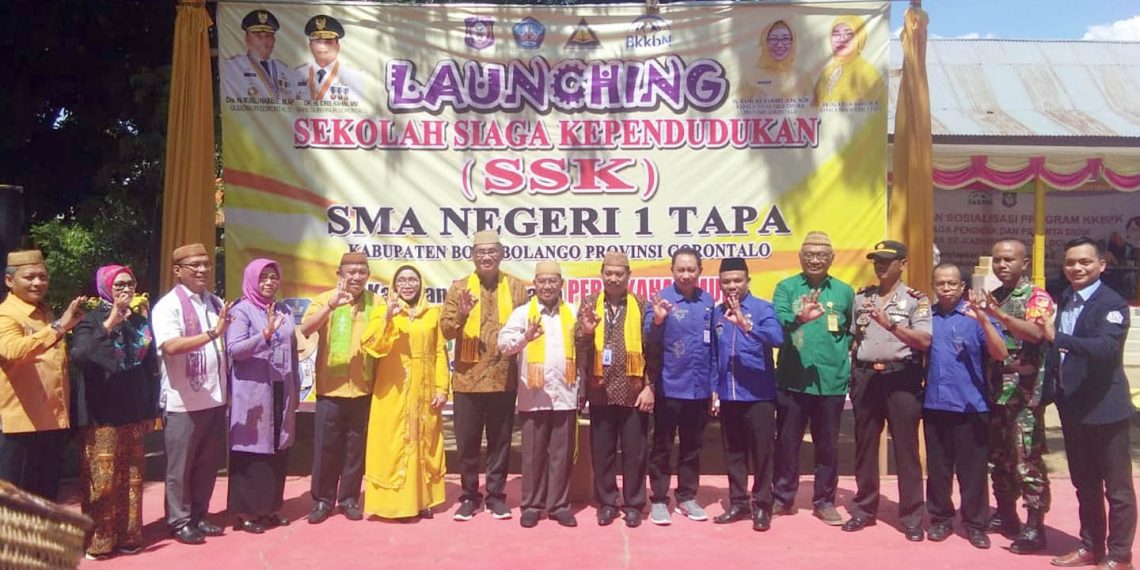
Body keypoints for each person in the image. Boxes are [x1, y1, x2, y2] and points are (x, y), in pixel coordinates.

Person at [1040, 237, 1136, 570]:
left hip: (1106, 409)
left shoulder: (1112, 304)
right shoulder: (1065, 297)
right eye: (1070, 263)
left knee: (1118, 488)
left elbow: (1105, 349)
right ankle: (1091, 546)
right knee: (1085, 483)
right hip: (1073, 407)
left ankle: (1120, 554)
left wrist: (1058, 338)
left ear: (1101, 265)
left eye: (1084, 262)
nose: (1077, 268)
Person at [842, 240, 931, 542]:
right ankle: (864, 509)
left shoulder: (916, 300)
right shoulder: (861, 298)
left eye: (886, 261)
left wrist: (890, 325)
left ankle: (912, 517)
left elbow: (923, 340)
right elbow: (855, 338)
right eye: (876, 261)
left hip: (901, 377)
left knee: (906, 449)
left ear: (902, 264)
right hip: (867, 377)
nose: (880, 266)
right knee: (865, 446)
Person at [70, 265, 159, 560]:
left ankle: (129, 535)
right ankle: (99, 541)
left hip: (132, 410)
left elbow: (150, 368)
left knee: (132, 478)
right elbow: (80, 356)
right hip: (101, 414)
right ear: (105, 287)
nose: (126, 289)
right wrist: (109, 322)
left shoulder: (139, 321)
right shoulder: (90, 319)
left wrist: (150, 409)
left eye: (130, 283)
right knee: (102, 480)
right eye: (119, 284)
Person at [441, 230, 527, 521]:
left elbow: (526, 330)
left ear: (501, 254)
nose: (486, 257)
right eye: (481, 252)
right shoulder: (459, 288)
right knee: (467, 443)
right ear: (473, 256)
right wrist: (463, 314)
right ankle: (468, 495)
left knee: (500, 441)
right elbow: (446, 331)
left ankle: (496, 496)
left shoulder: (516, 287)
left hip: (503, 378)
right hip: (467, 378)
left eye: (492, 252)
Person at [771, 231, 854, 526]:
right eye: (809, 255)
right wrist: (800, 319)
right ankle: (782, 498)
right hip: (793, 380)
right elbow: (779, 322)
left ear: (831, 259)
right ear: (800, 258)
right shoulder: (786, 288)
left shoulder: (845, 292)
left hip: (831, 382)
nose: (815, 260)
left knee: (828, 445)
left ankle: (824, 501)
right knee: (787, 443)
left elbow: (853, 334)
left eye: (821, 255)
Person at [978, 238, 1055, 553]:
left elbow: (1037, 334)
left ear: (1025, 263)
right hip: (995, 392)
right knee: (999, 458)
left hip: (1025, 394)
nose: (1002, 265)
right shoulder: (993, 297)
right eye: (997, 260)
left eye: (1009, 259)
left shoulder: (1036, 297)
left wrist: (1000, 317)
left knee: (1026, 461)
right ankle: (1005, 513)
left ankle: (1035, 526)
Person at [151, 243, 231, 545]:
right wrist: (212, 333)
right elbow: (170, 346)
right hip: (182, 401)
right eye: (194, 265)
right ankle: (179, 520)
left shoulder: (213, 302)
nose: (202, 270)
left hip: (213, 398)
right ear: (177, 271)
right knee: (180, 467)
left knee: (208, 463)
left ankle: (199, 515)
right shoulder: (168, 306)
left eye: (206, 264)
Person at [924, 263, 1008, 549]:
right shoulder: (927, 318)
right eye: (940, 283)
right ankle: (941, 519)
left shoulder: (975, 317)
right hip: (935, 405)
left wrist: (984, 320)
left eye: (952, 283)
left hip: (971, 406)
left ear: (963, 287)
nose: (946, 288)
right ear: (933, 285)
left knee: (973, 472)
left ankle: (975, 524)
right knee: (938, 470)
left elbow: (1001, 353)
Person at [360, 265, 449, 520]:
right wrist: (388, 317)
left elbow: (440, 352)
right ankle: (395, 504)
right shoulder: (382, 312)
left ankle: (423, 501)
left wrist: (442, 388)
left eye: (413, 280)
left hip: (424, 389)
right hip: (393, 390)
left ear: (420, 285)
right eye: (402, 280)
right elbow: (373, 346)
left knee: (424, 441)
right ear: (394, 285)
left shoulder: (432, 314)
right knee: (394, 442)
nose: (408, 285)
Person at [499, 261, 580, 528]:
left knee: (561, 453)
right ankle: (532, 505)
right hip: (533, 395)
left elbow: (584, 349)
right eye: (542, 281)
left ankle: (559, 505)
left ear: (561, 284)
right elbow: (504, 345)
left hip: (565, 394)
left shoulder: (573, 311)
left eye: (552, 281)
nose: (547, 286)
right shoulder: (523, 314)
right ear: (535, 284)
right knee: (533, 454)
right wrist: (525, 337)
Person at [576, 251, 654, 528]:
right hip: (600, 391)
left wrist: (650, 387)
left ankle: (633, 503)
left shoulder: (643, 306)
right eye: (608, 273)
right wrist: (586, 332)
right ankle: (607, 502)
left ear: (628, 276)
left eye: (619, 274)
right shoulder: (589, 305)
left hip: (634, 393)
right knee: (602, 452)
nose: (613, 278)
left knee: (635, 453)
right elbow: (579, 348)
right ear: (602, 274)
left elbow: (653, 351)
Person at [0, 250, 84, 501]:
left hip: (50, 423)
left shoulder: (43, 312)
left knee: (45, 497)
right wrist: (58, 327)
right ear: (9, 281)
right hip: (19, 426)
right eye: (30, 277)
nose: (38, 283)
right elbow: (13, 351)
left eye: (43, 277)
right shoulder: (6, 314)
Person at [300, 251, 377, 524]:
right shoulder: (325, 299)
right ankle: (322, 500)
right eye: (351, 272)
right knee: (326, 448)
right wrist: (330, 307)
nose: (356, 277)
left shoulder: (374, 303)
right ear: (340, 274)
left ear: (368, 275)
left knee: (356, 448)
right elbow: (306, 328)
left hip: (363, 388)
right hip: (330, 389)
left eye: (362, 272)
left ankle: (349, 499)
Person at [709, 257, 783, 532]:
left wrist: (745, 325)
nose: (732, 286)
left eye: (737, 280)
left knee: (762, 454)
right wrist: (714, 390)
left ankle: (762, 505)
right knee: (734, 453)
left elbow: (778, 339)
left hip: (759, 396)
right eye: (726, 281)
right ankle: (738, 502)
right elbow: (714, 355)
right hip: (729, 396)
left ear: (747, 281)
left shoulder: (763, 308)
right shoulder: (717, 313)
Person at [225, 259, 299, 534]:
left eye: (273, 277)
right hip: (254, 392)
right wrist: (264, 334)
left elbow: (292, 349)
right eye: (263, 278)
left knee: (277, 450)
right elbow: (234, 349)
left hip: (281, 387)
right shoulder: (241, 311)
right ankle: (246, 513)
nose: (269, 283)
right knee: (252, 452)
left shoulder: (284, 309)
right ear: (252, 280)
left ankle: (269, 509)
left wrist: (296, 387)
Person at [643, 246, 714, 525]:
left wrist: (714, 387)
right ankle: (659, 499)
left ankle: (687, 496)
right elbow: (649, 338)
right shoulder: (662, 300)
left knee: (692, 446)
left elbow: (714, 347)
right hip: (669, 387)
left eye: (691, 269)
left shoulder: (707, 301)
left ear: (699, 272)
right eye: (680, 269)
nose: (686, 274)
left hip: (699, 389)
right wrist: (659, 319)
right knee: (662, 445)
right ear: (672, 271)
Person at [220, 9, 297, 100]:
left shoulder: (285, 70)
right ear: (247, 39)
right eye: (258, 36)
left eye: (268, 36)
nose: (264, 41)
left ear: (274, 40)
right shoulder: (231, 67)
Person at [813, 15, 883, 106]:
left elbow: (875, 108)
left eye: (849, 34)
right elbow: (814, 105)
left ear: (859, 37)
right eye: (836, 34)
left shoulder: (867, 71)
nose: (842, 39)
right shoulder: (827, 70)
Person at [295, 14, 365, 103]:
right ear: (310, 45)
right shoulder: (297, 73)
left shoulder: (352, 75)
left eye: (328, 42)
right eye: (317, 41)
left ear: (337, 46)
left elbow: (358, 108)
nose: (322, 46)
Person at [737, 20, 812, 100]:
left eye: (785, 39)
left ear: (793, 43)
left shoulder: (802, 78)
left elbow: (812, 108)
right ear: (764, 42)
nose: (779, 45)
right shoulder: (750, 77)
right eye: (773, 39)